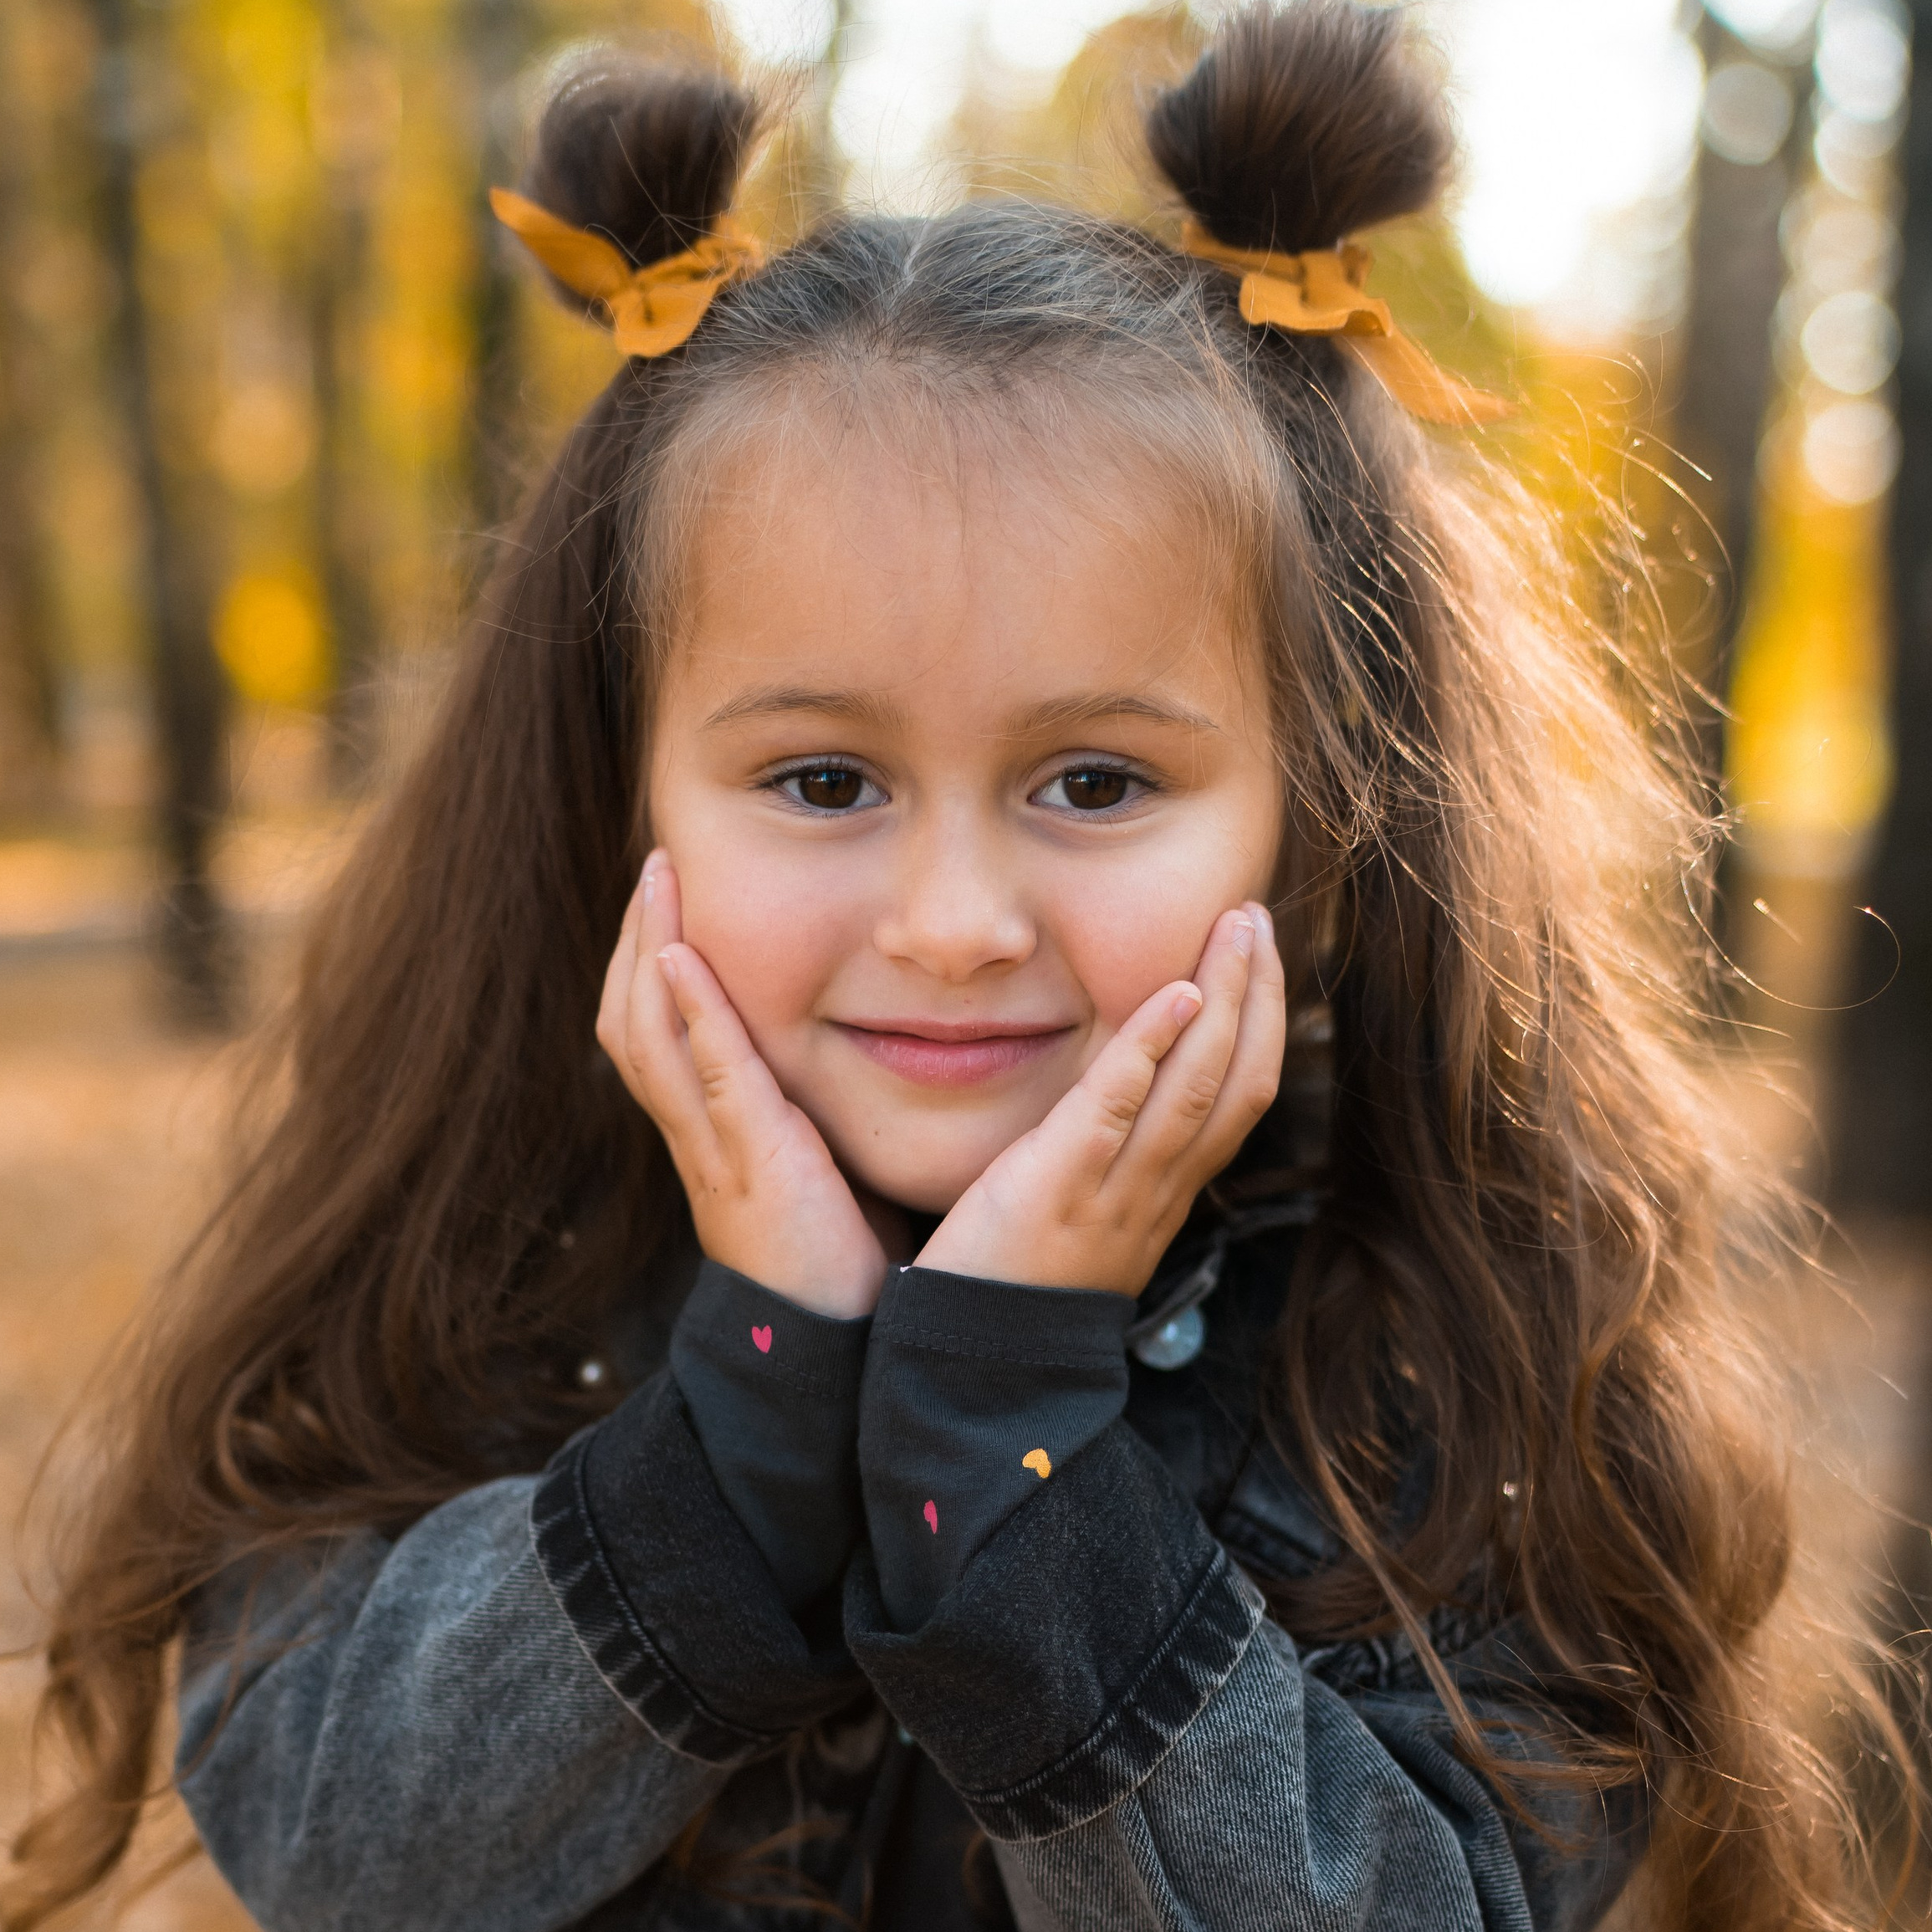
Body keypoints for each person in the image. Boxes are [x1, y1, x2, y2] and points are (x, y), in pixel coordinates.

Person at [3, 5, 1882, 1928]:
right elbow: (344, 1857)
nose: (956, 923)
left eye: (1096, 782)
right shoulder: (489, 1257)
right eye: (825, 781)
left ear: (1316, 815)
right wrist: (754, 1407)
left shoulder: (1443, 1344)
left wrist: (1005, 1442)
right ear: (621, 788)